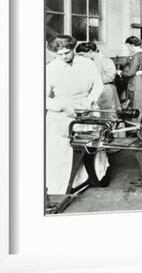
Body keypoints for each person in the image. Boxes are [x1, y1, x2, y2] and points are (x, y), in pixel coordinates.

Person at [45, 35, 105, 194]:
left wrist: (90, 101)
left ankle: (93, 177)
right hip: (62, 115)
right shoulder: (50, 68)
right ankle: (65, 186)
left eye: (67, 52)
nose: (64, 56)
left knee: (92, 146)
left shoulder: (87, 63)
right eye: (60, 54)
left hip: (87, 108)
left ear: (73, 49)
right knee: (63, 152)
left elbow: (98, 85)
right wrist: (62, 106)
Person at [76, 42, 121, 113]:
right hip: (98, 91)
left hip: (106, 90)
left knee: (108, 114)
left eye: (82, 55)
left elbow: (110, 77)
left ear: (90, 51)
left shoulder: (104, 59)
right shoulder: (90, 60)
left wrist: (94, 80)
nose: (81, 57)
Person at [120, 36, 142, 119]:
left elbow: (130, 73)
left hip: (136, 81)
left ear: (131, 45)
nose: (128, 48)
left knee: (136, 102)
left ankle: (136, 124)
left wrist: (121, 73)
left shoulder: (136, 55)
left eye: (128, 46)